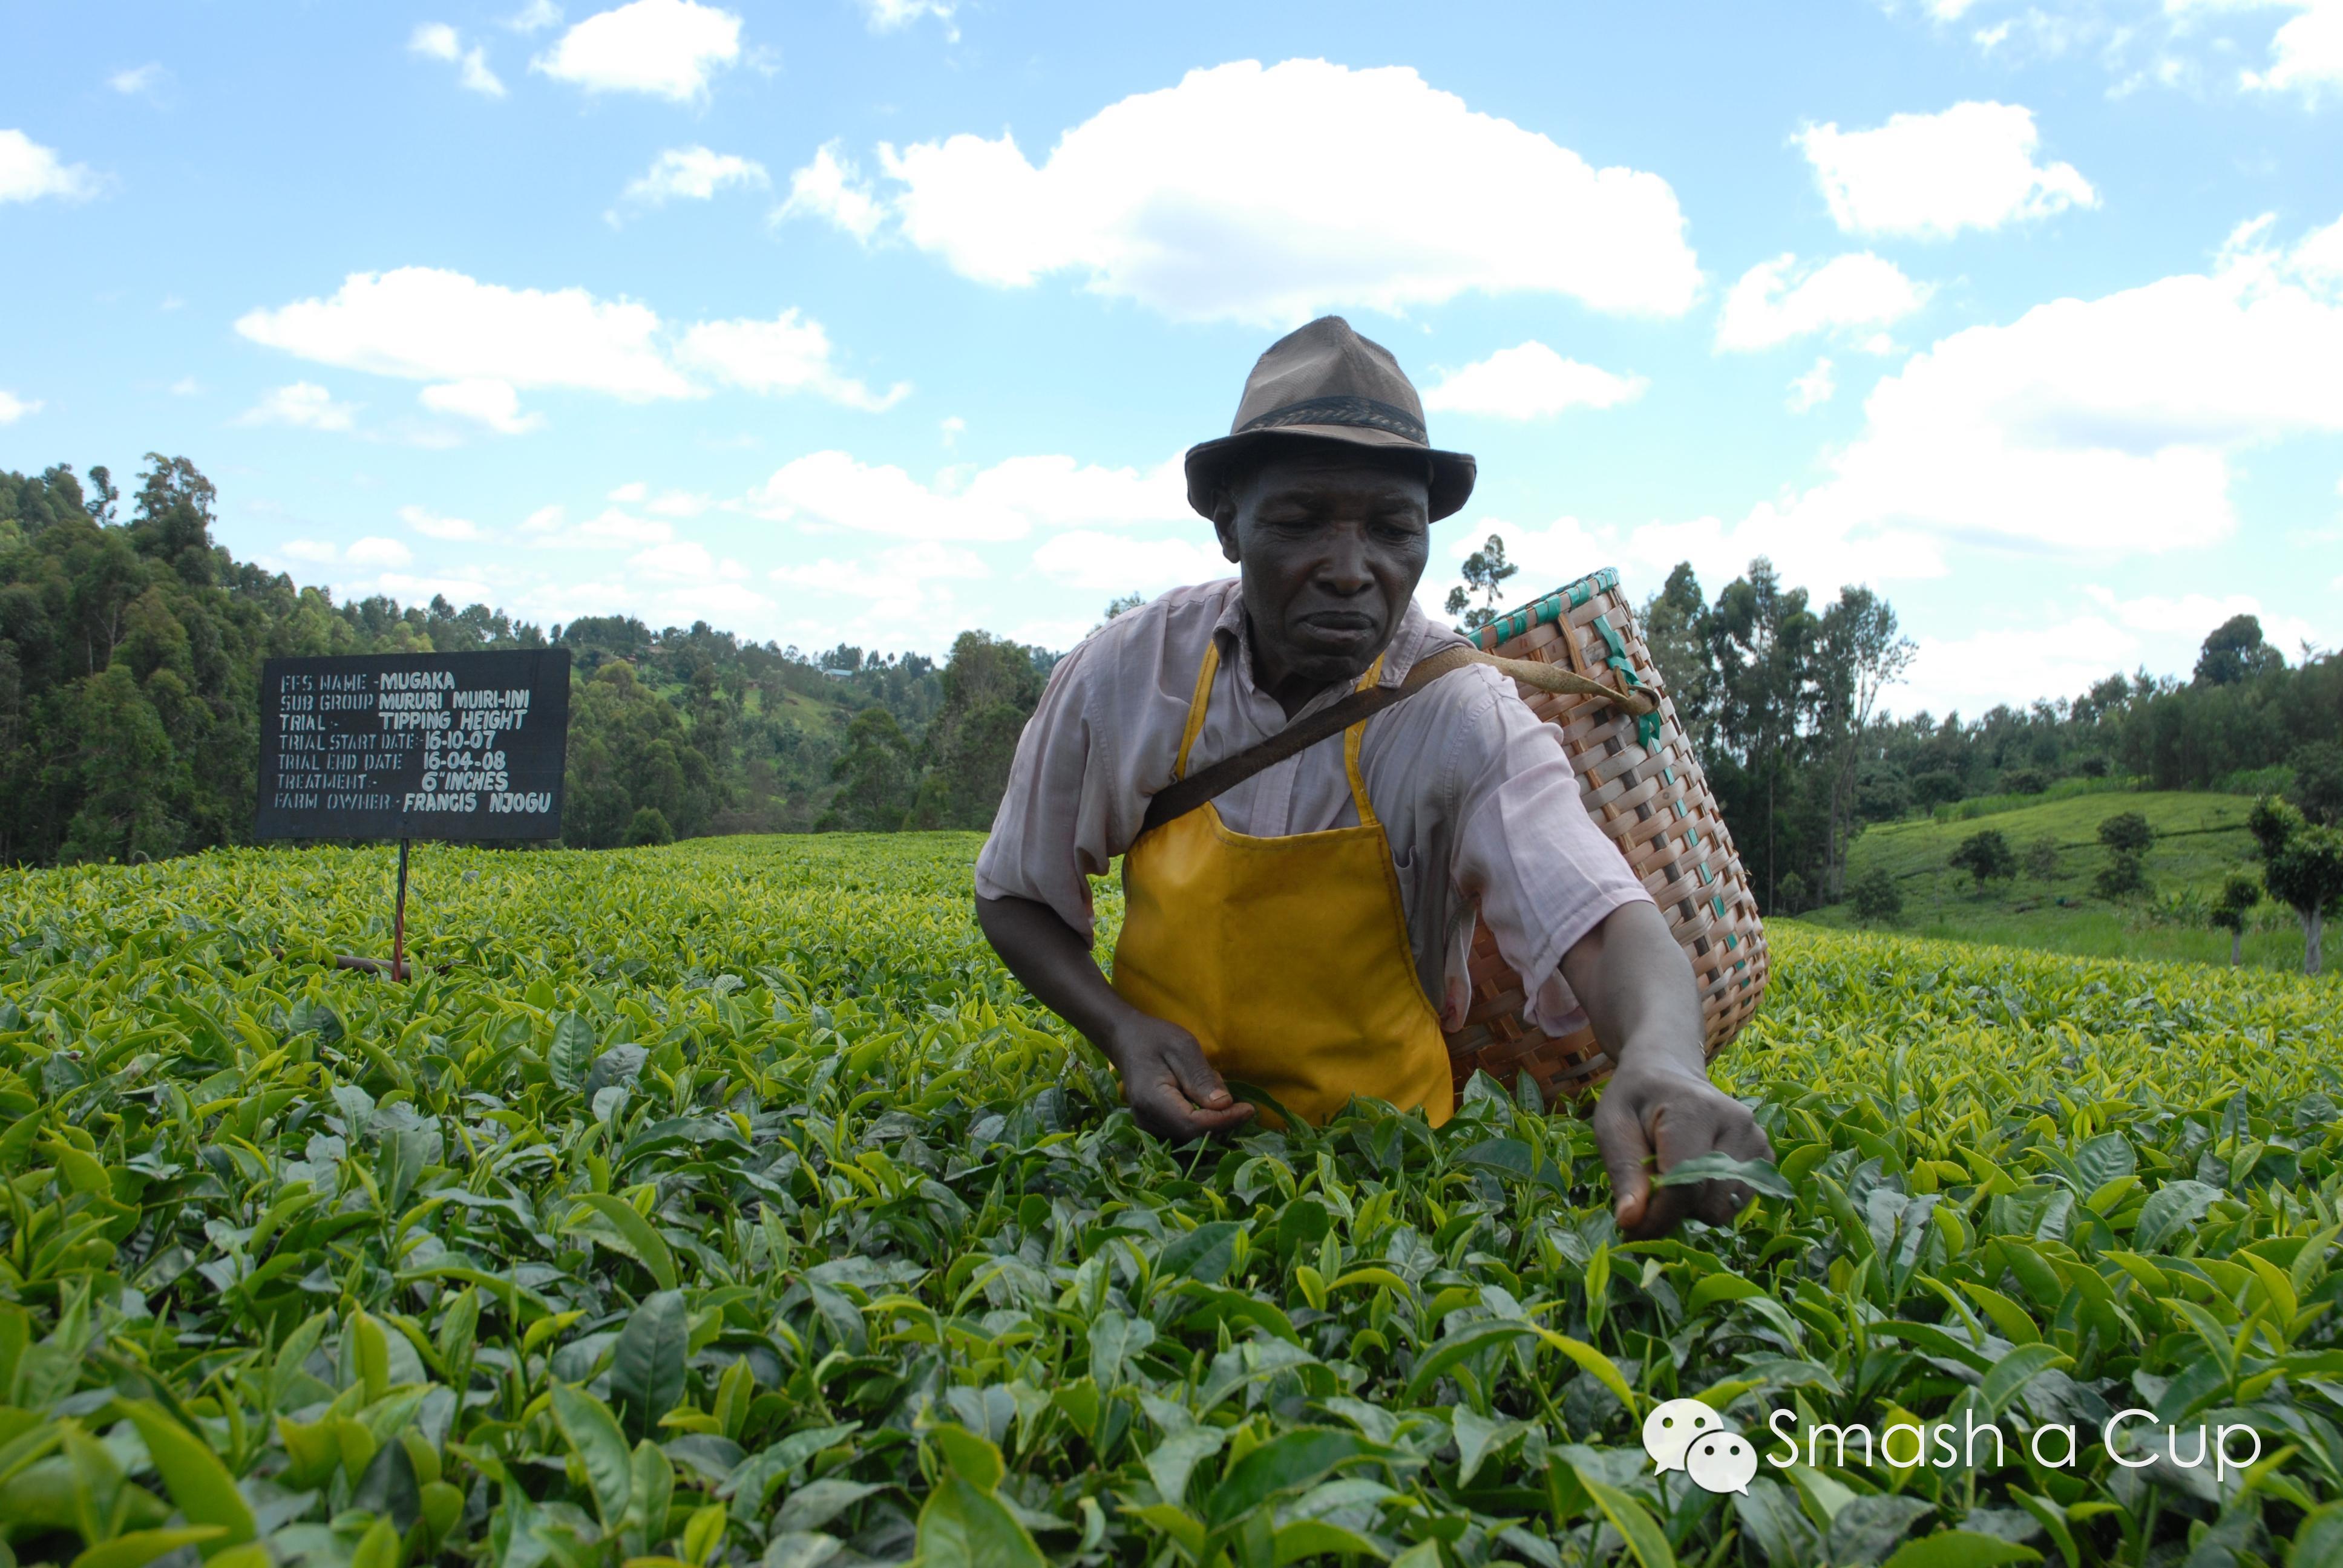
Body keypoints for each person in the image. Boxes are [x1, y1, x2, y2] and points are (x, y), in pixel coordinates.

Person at [974, 316, 1770, 1239]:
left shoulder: (1457, 712)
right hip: (1152, 1151)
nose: (1353, 571)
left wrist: (1666, 1060)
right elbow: (1015, 892)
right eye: (1301, 521)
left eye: (1392, 529)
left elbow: (1601, 920)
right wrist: (1121, 1030)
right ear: (1230, 524)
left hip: (1384, 1183)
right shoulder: (1130, 674)